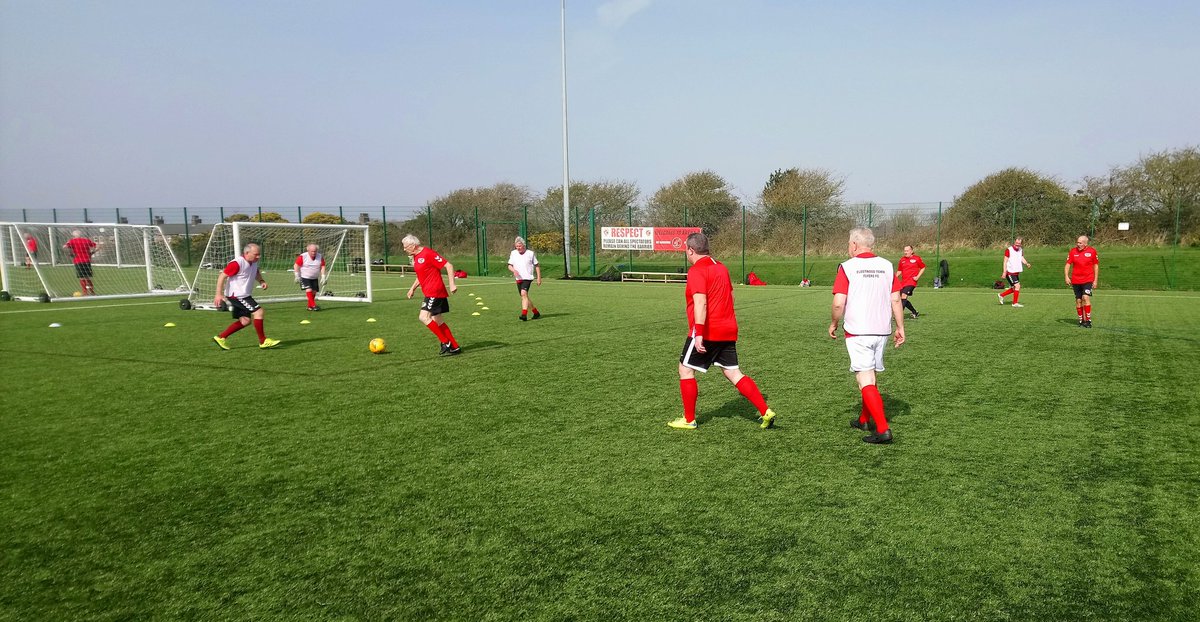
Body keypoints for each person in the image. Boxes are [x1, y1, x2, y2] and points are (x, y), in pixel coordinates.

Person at [668, 232, 777, 430]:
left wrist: (699, 332)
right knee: (733, 372)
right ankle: (765, 410)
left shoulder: (696, 271)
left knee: (685, 369)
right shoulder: (721, 267)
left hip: (708, 329)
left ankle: (689, 419)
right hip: (728, 328)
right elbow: (732, 298)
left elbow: (700, 302)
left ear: (691, 250)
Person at [828, 227, 906, 444]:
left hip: (858, 331)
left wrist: (834, 322)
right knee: (870, 376)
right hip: (881, 330)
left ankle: (883, 429)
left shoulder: (847, 267)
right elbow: (896, 299)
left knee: (864, 378)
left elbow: (838, 302)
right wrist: (901, 326)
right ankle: (864, 419)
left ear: (854, 244)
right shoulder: (887, 266)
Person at [212, 243, 281, 350]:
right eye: (256, 254)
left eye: (259, 254)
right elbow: (222, 276)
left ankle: (221, 337)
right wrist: (218, 294)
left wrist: (261, 281)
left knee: (245, 321)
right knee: (259, 312)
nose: (258, 257)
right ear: (247, 253)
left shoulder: (253, 262)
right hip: (238, 295)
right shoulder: (237, 263)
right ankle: (263, 341)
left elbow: (256, 272)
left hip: (242, 295)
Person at [403, 234, 461, 355]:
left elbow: (448, 266)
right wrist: (412, 288)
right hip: (430, 291)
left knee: (423, 317)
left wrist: (452, 284)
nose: (404, 249)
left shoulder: (428, 253)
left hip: (435, 290)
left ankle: (445, 342)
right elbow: (421, 276)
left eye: (405, 246)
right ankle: (454, 346)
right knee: (437, 319)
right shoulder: (415, 257)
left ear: (413, 245)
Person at [1065, 235, 1099, 328]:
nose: (1078, 244)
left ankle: (1088, 320)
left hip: (1088, 279)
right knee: (1078, 300)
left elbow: (1096, 266)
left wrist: (1095, 280)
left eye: (1080, 243)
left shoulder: (1092, 251)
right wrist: (1066, 276)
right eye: (1077, 242)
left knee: (1085, 298)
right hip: (1076, 280)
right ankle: (1081, 320)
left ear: (1085, 243)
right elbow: (1068, 264)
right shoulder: (1073, 251)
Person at [507, 236, 542, 321]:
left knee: (523, 294)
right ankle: (536, 312)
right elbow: (509, 265)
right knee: (524, 296)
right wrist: (513, 270)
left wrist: (539, 278)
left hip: (527, 278)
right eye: (517, 246)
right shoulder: (513, 253)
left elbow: (537, 265)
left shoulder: (530, 253)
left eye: (520, 246)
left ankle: (524, 315)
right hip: (518, 278)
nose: (518, 248)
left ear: (524, 245)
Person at [998, 237, 1032, 307]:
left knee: (1015, 288)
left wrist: (1026, 263)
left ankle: (1001, 295)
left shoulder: (1020, 250)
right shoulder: (1009, 250)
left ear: (1021, 244)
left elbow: (1021, 258)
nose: (1017, 245)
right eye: (1016, 243)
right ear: (1014, 242)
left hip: (1016, 272)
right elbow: (1005, 261)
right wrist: (1004, 272)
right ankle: (1015, 303)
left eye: (1019, 243)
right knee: (1017, 286)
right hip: (1010, 272)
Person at [293, 244, 327, 311]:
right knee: (309, 290)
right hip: (305, 277)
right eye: (312, 251)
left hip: (314, 278)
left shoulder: (320, 256)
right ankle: (314, 305)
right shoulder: (303, 256)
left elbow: (323, 266)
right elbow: (296, 265)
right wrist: (296, 275)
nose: (313, 253)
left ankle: (309, 306)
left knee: (314, 292)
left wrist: (323, 276)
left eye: (315, 251)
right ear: (308, 250)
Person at [63, 230, 97, 295]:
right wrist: (92, 252)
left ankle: (85, 292)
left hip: (78, 261)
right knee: (88, 276)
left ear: (73, 235)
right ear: (81, 234)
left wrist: (70, 253)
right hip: (87, 260)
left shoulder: (72, 241)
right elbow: (97, 246)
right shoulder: (87, 240)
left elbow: (64, 247)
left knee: (81, 277)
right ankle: (92, 291)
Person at [896, 245, 926, 319]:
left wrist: (917, 277)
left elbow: (923, 267)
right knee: (901, 298)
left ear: (911, 251)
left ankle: (899, 316)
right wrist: (894, 277)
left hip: (911, 282)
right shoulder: (902, 260)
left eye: (907, 250)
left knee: (903, 296)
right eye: (904, 251)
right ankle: (914, 312)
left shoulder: (917, 258)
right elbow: (900, 271)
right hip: (903, 282)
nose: (905, 252)